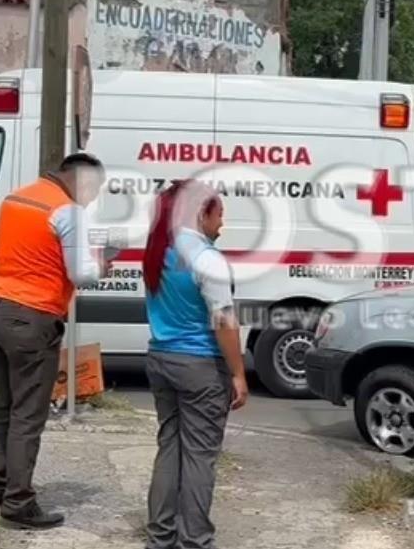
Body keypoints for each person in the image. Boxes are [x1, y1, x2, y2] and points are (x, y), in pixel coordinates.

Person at [0, 153, 111, 529]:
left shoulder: (17, 198)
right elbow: (80, 274)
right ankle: (18, 503)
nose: (93, 198)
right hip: (32, 317)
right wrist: (102, 265)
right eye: (94, 189)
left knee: (5, 406)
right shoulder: (67, 211)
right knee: (28, 414)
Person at [142, 179, 248, 549]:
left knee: (169, 447)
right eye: (220, 214)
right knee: (201, 456)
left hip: (160, 357)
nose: (222, 224)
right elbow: (223, 321)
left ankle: (160, 537)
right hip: (200, 365)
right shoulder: (206, 258)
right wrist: (238, 373)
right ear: (202, 213)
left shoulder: (160, 250)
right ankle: (196, 541)